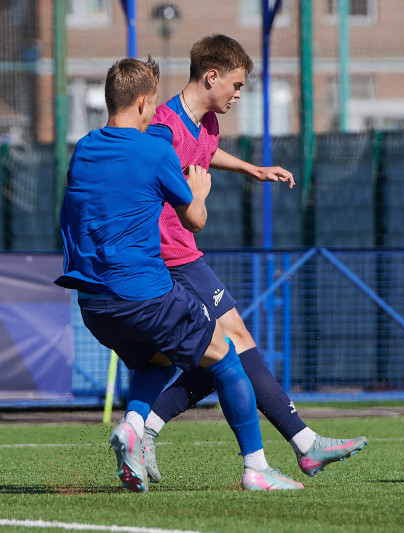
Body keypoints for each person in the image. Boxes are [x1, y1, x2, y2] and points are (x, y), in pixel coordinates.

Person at [56, 56, 303, 492]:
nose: (155, 115)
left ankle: (133, 426)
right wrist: (200, 190)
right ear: (143, 102)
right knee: (225, 356)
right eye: (152, 107)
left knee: (160, 358)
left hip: (93, 305)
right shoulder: (155, 150)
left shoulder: (85, 148)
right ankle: (257, 470)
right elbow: (194, 220)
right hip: (145, 294)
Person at [142, 34, 366, 485]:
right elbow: (169, 190)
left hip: (184, 252)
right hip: (168, 256)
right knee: (235, 343)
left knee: (223, 356)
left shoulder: (204, 124)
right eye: (237, 85)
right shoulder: (163, 127)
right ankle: (298, 447)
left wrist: (252, 169)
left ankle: (144, 429)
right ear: (212, 76)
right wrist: (194, 202)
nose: (239, 94)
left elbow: (205, 153)